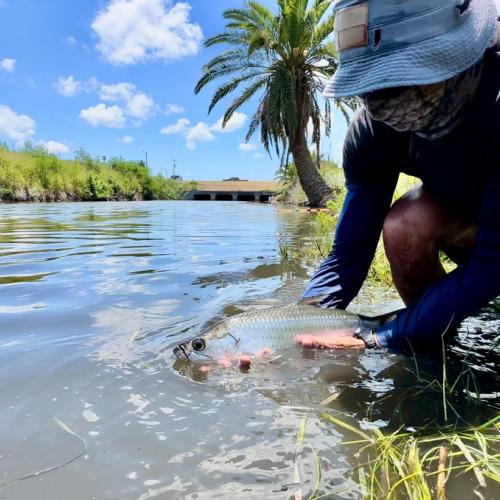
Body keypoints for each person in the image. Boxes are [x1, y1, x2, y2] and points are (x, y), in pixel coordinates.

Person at [300, 0, 500, 351]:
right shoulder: (372, 133)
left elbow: (494, 262)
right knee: (402, 229)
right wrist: (296, 327)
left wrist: (381, 337)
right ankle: (437, 347)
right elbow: (347, 256)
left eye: (406, 79)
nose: (385, 102)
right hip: (470, 219)